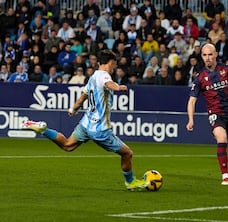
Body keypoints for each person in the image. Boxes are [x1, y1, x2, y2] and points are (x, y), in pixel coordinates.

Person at [21, 50, 149, 190]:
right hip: (99, 129)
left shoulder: (93, 77)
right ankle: (130, 182)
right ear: (110, 63)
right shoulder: (104, 76)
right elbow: (108, 84)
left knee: (67, 145)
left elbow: (83, 96)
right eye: (114, 65)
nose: (114, 68)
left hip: (86, 123)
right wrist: (118, 87)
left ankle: (43, 129)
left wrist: (73, 109)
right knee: (127, 153)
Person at [186, 43, 228, 185]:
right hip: (216, 113)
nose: (208, 58)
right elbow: (191, 101)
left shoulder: (227, 69)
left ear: (216, 54)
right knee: (221, 138)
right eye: (204, 55)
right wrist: (190, 120)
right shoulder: (199, 78)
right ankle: (225, 175)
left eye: (210, 54)